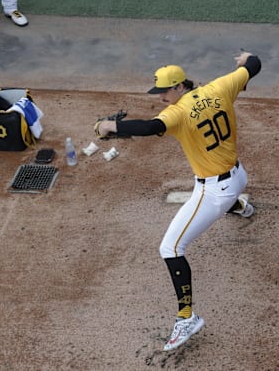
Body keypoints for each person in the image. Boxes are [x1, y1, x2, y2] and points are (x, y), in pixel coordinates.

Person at [94, 52, 261, 351]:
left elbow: (149, 127)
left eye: (165, 92)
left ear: (180, 87)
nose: (161, 98)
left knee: (170, 248)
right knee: (213, 189)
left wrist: (110, 127)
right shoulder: (220, 87)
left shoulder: (179, 112)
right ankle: (241, 206)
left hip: (215, 192)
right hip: (239, 177)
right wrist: (246, 58)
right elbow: (254, 65)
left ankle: (187, 317)